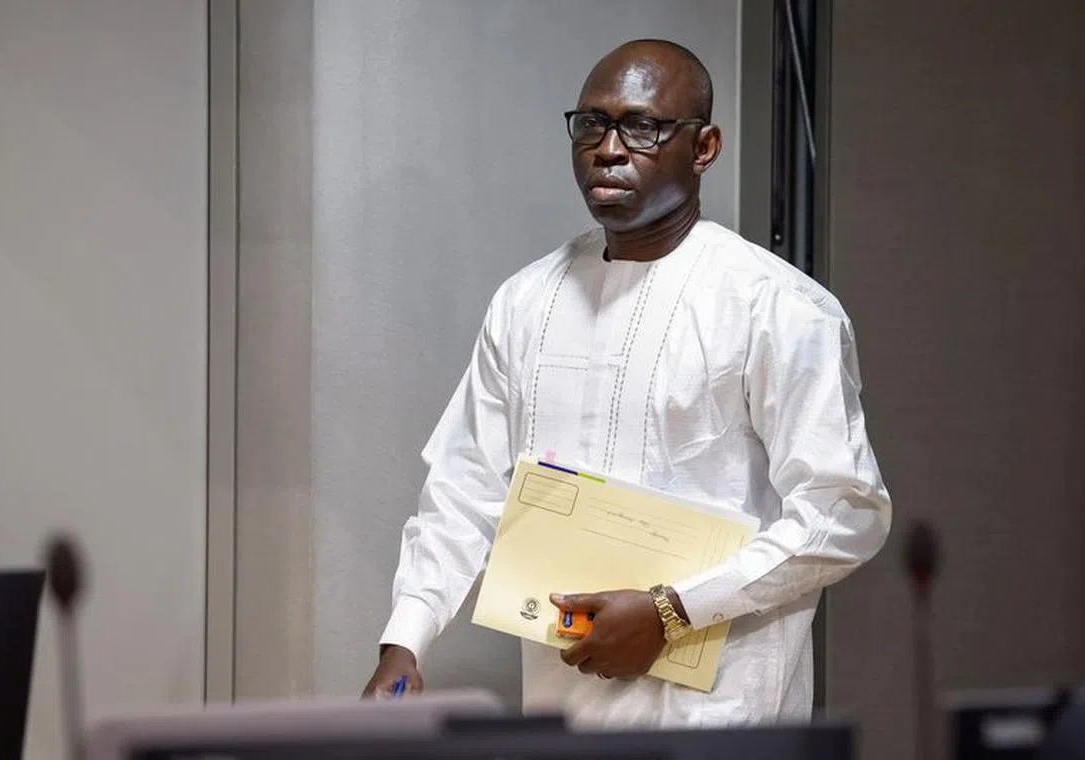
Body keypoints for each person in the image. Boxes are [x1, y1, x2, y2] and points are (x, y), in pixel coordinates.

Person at [362, 38, 892, 728]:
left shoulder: (776, 308)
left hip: (725, 713)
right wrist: (405, 638)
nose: (608, 149)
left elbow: (843, 510)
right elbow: (465, 491)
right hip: (566, 706)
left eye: (641, 127)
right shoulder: (525, 302)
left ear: (704, 147)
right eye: (591, 124)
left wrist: (672, 612)